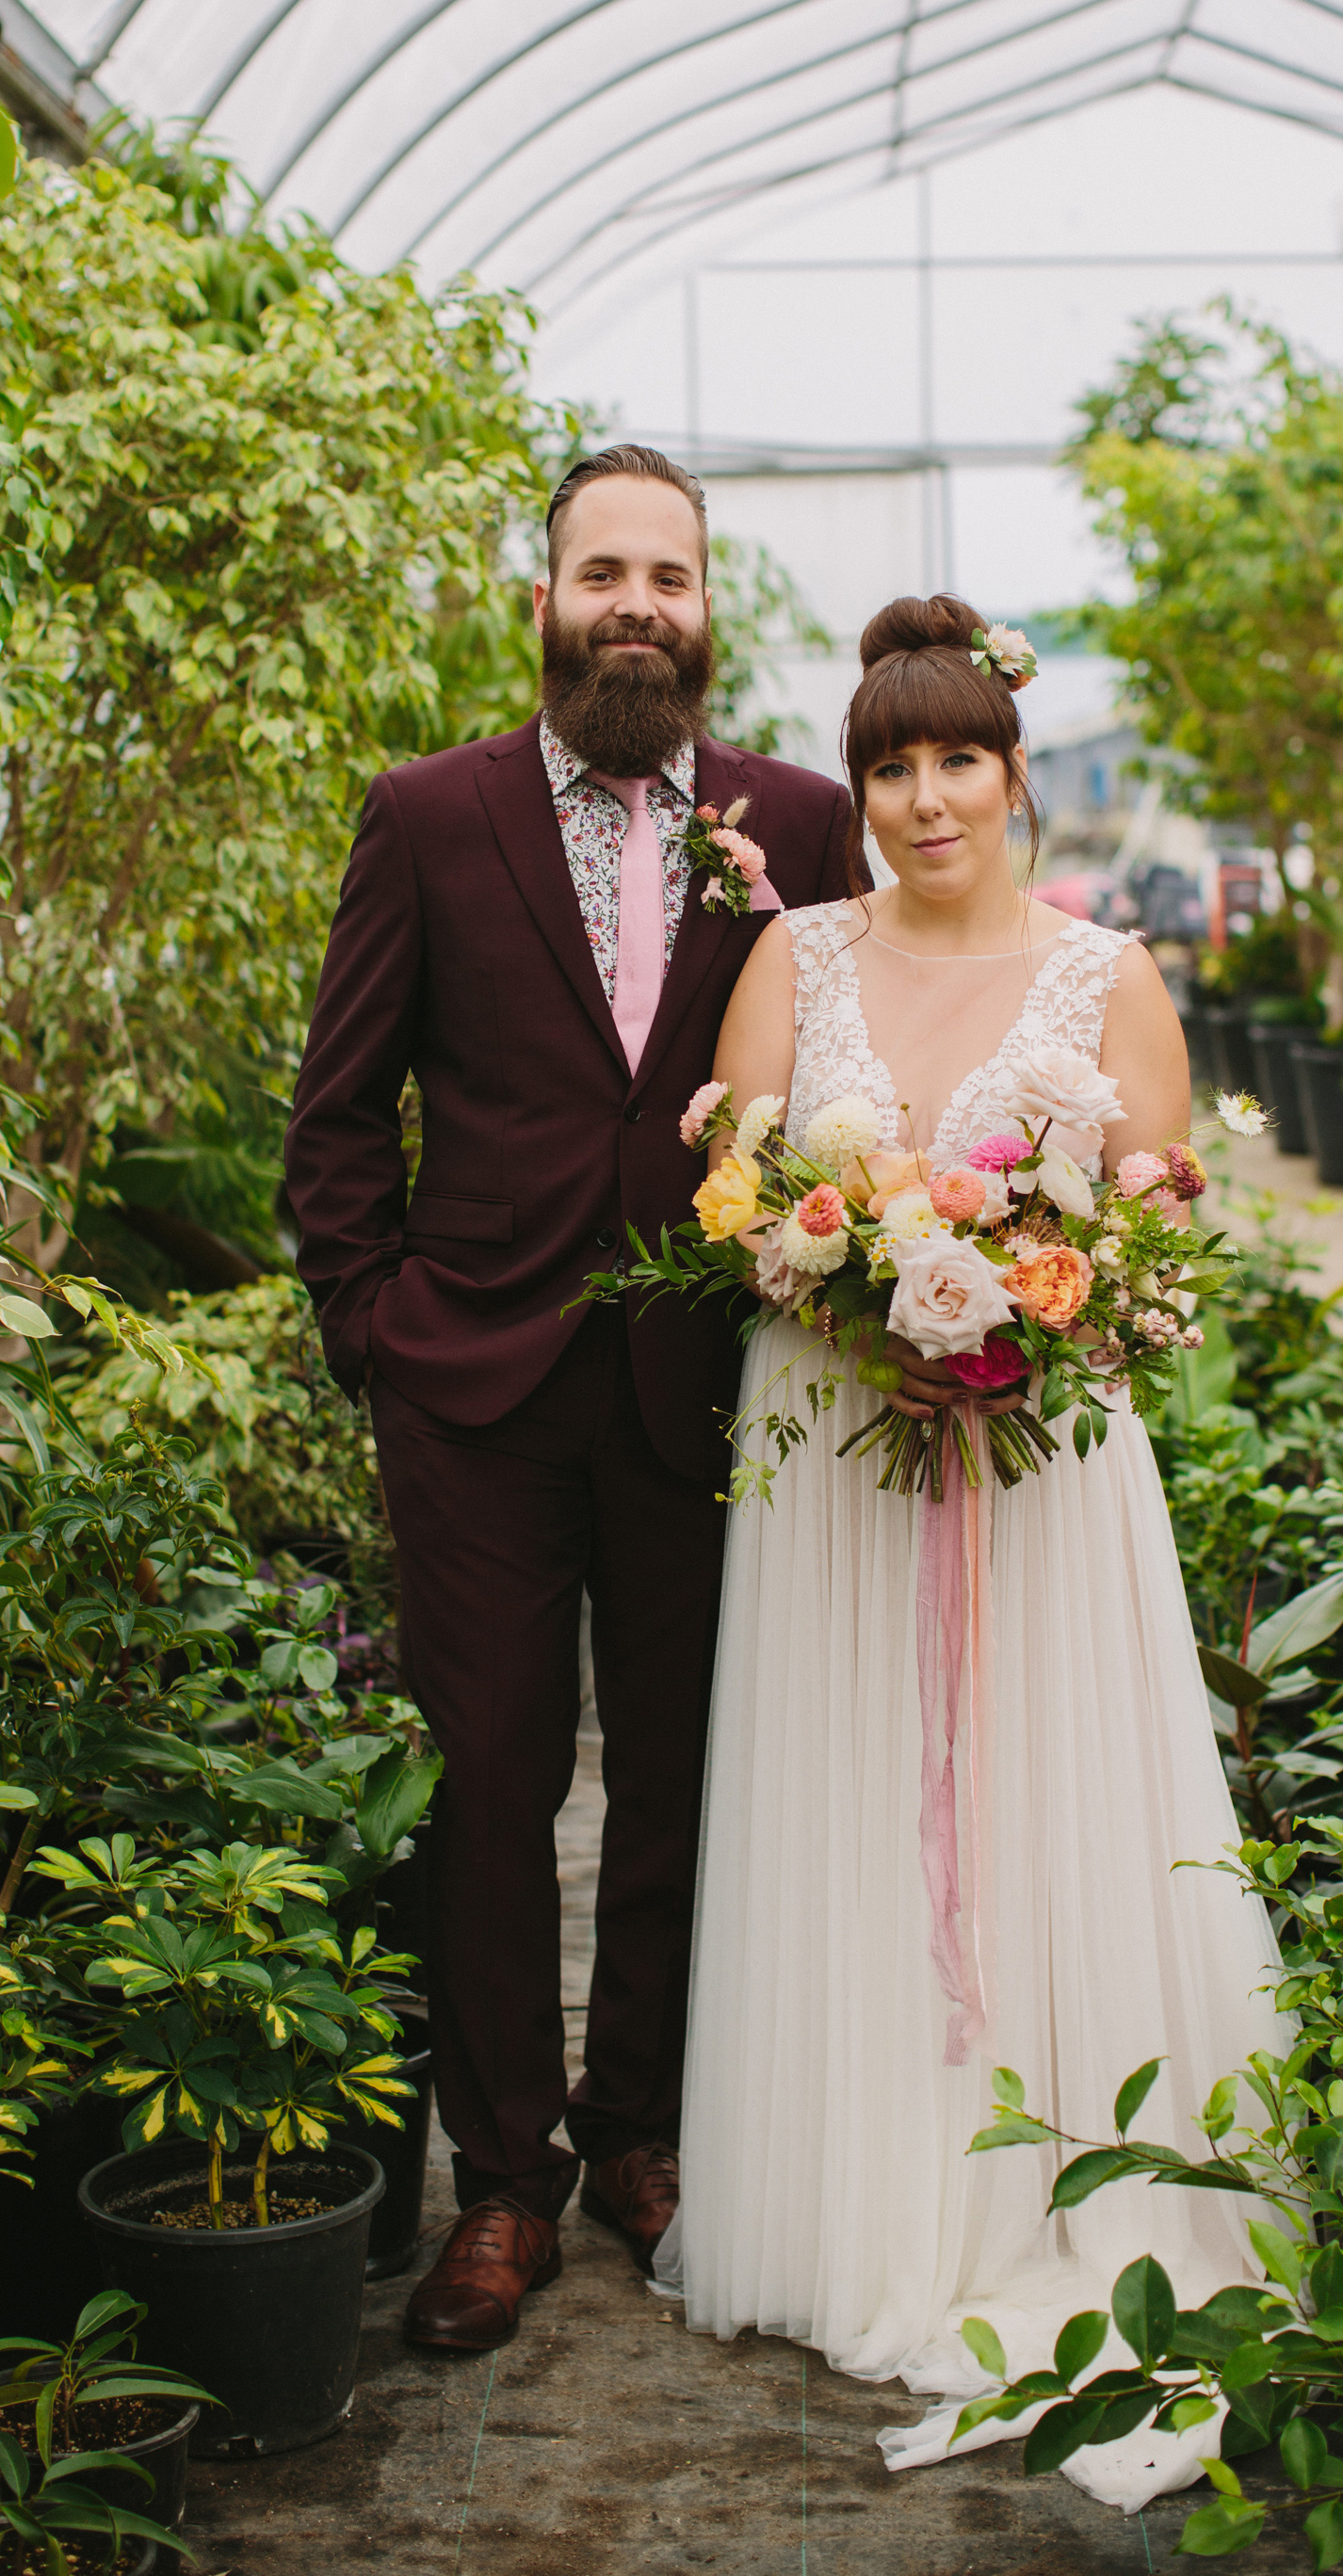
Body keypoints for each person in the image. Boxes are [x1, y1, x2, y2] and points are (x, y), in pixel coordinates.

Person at [659, 594, 1277, 2503]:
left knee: (1045, 1815)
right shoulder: (794, 955)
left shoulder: (1108, 981)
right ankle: (860, 2199)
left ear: (1014, 777)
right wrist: (837, 1268)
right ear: (857, 789)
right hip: (837, 1454)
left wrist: (1032, 1314)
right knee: (846, 1813)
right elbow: (737, 1193)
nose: (925, 799)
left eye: (957, 762)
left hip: (1036, 1470)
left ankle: (1061, 2180)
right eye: (889, 766)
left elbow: (1158, 1237)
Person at [284, 445, 852, 2350]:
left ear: (708, 606)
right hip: (475, 1389)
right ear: (542, 597)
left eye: (667, 575)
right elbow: (339, 1107)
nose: (635, 604)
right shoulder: (427, 817)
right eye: (599, 570)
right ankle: (503, 2184)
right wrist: (377, 1324)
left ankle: (640, 2134)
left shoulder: (802, 818)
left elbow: (861, 1075)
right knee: (492, 1788)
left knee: (692, 1782)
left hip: (714, 1387)